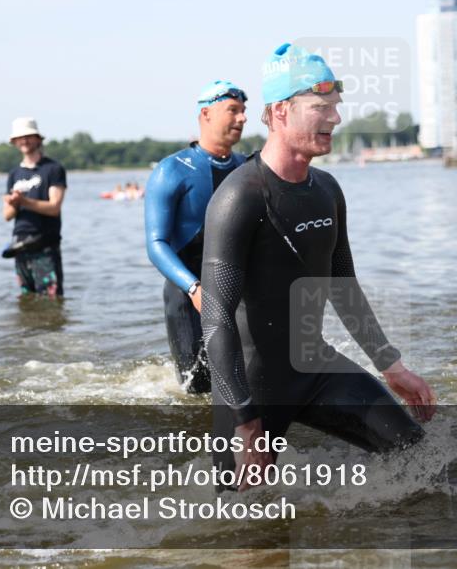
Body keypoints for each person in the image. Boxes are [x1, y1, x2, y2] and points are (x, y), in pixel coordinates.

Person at [200, 43, 436, 488]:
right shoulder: (239, 197)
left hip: (315, 369)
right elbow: (215, 321)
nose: (335, 118)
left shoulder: (326, 189)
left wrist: (391, 366)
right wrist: (247, 422)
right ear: (282, 112)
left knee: (421, 462)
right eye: (321, 107)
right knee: (241, 526)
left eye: (336, 106)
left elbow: (343, 285)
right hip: (249, 389)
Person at [144, 80, 248, 394]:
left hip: (239, 292)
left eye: (244, 111)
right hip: (187, 297)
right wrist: (194, 288)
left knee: (252, 380)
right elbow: (156, 244)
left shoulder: (248, 168)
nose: (242, 118)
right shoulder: (171, 170)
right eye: (233, 110)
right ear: (206, 114)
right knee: (198, 392)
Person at [2, 117, 67, 298]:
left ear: (38, 139)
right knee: (26, 298)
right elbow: (7, 215)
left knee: (51, 300)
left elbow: (54, 207)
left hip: (45, 243)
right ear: (14, 142)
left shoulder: (53, 168)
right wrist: (14, 203)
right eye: (20, 137)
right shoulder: (14, 174)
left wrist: (24, 202)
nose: (24, 141)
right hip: (20, 245)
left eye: (28, 136)